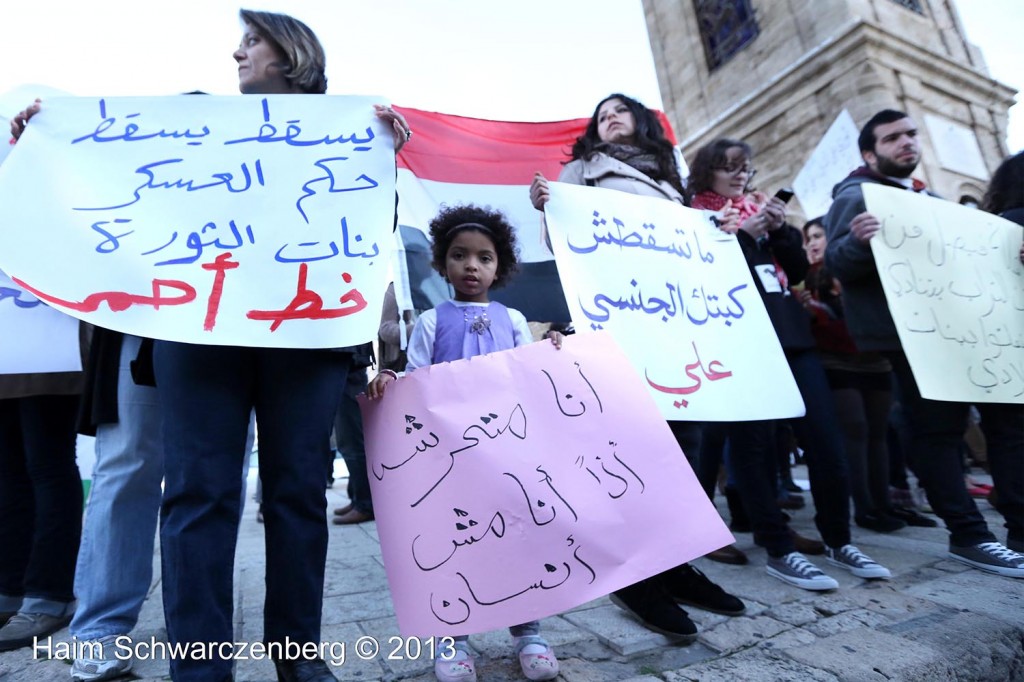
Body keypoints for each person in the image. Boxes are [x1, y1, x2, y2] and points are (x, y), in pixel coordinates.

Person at [530, 94, 745, 637]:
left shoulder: (670, 178)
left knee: (685, 444)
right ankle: (637, 575)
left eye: (619, 110)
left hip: (674, 325)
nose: (610, 118)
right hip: (620, 322)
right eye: (601, 115)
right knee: (631, 449)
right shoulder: (582, 170)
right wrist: (545, 207)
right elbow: (560, 242)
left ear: (642, 121)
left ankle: (676, 563)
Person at [823, 109, 1023, 575]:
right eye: (892, 138)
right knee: (938, 433)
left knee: (1008, 427)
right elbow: (836, 263)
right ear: (871, 153)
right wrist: (857, 243)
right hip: (918, 340)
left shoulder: (930, 198)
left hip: (975, 333)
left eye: (911, 134)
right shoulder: (857, 197)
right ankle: (969, 535)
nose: (907, 142)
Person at [367, 205, 562, 682]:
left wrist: (555, 345)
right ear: (443, 263)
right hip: (451, 459)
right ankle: (453, 636)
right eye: (459, 256)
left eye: (484, 258)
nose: (471, 266)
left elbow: (530, 370)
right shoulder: (432, 322)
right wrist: (391, 378)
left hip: (506, 454)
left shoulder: (513, 319)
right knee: (457, 543)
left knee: (518, 537)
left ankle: (529, 632)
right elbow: (416, 378)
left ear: (501, 266)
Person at [688, 137, 891, 591]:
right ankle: (778, 547)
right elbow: (700, 275)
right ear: (708, 172)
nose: (741, 175)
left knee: (825, 440)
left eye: (746, 168)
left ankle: (839, 538)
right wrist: (743, 235)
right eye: (730, 167)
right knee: (753, 448)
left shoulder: (761, 209)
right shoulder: (694, 216)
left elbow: (797, 269)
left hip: (792, 335)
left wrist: (778, 232)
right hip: (740, 342)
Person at [799, 218, 921, 532]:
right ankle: (865, 509)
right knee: (855, 431)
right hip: (837, 364)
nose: (812, 243)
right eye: (808, 238)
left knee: (878, 435)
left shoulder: (862, 267)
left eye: (818, 235)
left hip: (875, 362)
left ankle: (883, 505)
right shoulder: (807, 278)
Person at [0, 325, 86, 651]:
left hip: (47, 336)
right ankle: (10, 589)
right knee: (8, 468)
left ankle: (49, 595)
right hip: (9, 338)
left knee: (48, 463)